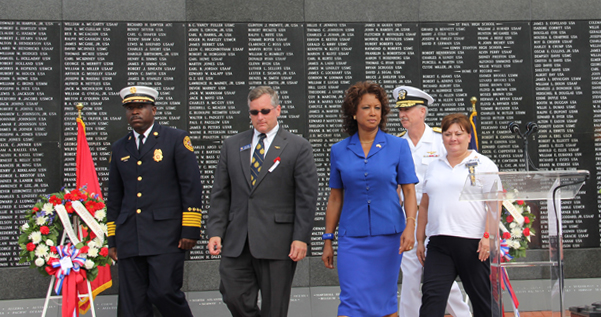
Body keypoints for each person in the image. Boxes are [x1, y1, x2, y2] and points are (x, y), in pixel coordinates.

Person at [207, 86, 318, 317]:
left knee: (274, 308)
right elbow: (220, 193)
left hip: (277, 242)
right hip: (238, 241)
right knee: (232, 294)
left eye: (265, 111)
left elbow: (306, 198)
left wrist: (301, 238)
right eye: (254, 112)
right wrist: (215, 231)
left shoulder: (298, 147)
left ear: (278, 110)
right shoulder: (232, 145)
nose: (260, 117)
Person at [321, 81, 418, 317]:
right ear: (354, 113)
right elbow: (335, 198)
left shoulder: (398, 146)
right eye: (366, 107)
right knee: (350, 302)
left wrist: (410, 225)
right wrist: (327, 238)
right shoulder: (339, 150)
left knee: (384, 302)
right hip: (351, 239)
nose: (373, 112)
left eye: (377, 107)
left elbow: (409, 191)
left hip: (388, 237)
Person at [107, 86, 203, 316]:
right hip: (130, 236)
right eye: (130, 108)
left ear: (154, 109)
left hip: (166, 236)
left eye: (140, 107)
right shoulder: (120, 147)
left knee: (164, 293)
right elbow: (115, 195)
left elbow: (190, 185)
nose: (135, 112)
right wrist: (112, 238)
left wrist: (190, 229)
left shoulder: (176, 139)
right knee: (132, 305)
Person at [393, 86, 471, 317]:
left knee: (442, 275)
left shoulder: (440, 139)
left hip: (438, 217)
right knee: (410, 275)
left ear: (423, 112)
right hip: (408, 219)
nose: (403, 114)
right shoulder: (396, 144)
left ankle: (464, 315)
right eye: (400, 110)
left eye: (408, 109)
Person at [416, 113, 499, 317]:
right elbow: (425, 205)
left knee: (482, 300)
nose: (453, 138)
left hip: (473, 244)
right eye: (447, 134)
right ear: (442, 137)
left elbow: (495, 204)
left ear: (469, 137)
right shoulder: (434, 166)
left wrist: (487, 237)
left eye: (458, 134)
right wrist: (420, 239)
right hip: (439, 243)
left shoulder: (484, 164)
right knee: (431, 298)